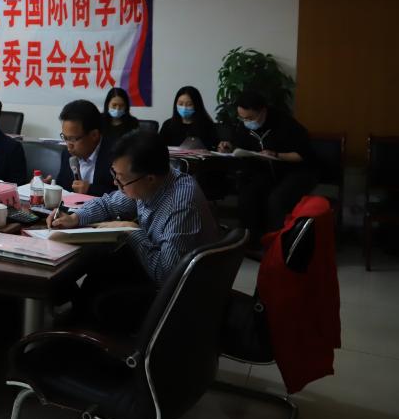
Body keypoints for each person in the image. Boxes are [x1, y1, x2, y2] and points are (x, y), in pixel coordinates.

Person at [49, 131, 219, 329]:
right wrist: (75, 217)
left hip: (176, 297)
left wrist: (132, 231)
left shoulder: (181, 205)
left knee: (103, 299)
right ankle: (75, 323)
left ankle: (84, 333)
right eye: (114, 174)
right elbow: (108, 204)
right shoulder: (149, 182)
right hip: (156, 270)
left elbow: (165, 275)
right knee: (100, 272)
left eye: (121, 179)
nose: (116, 183)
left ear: (149, 178)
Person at [218, 90, 317, 246]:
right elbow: (240, 145)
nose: (246, 122)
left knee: (277, 199)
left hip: (296, 172)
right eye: (242, 118)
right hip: (267, 172)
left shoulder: (285, 124)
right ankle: (250, 242)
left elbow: (302, 155)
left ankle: (276, 244)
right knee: (248, 194)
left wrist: (277, 155)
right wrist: (229, 147)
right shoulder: (245, 126)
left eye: (250, 118)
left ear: (263, 111)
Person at [55, 99, 115, 196]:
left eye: (73, 139)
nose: (68, 145)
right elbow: (62, 186)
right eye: (65, 138)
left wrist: (91, 190)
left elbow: (127, 196)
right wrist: (49, 186)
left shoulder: (116, 156)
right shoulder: (67, 154)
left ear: (94, 135)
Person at [160, 85, 219, 150]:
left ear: (197, 105)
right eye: (180, 104)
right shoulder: (167, 125)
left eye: (189, 104)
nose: (184, 107)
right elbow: (159, 148)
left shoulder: (207, 125)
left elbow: (216, 147)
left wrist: (221, 147)